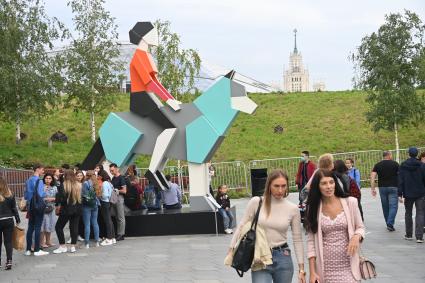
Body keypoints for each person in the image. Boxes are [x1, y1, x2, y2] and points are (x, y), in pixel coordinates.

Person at [228, 169, 305, 283]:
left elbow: (297, 239)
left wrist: (301, 268)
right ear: (269, 185)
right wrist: (231, 249)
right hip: (260, 257)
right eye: (276, 186)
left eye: (284, 186)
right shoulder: (256, 202)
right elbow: (241, 226)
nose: (280, 190)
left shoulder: (292, 209)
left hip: (283, 256)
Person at [306, 169, 365, 283]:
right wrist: (312, 272)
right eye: (324, 183)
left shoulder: (350, 202)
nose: (328, 186)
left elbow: (360, 227)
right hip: (325, 268)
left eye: (331, 182)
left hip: (348, 264)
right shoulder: (313, 208)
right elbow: (311, 242)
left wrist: (356, 236)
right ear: (317, 186)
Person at [398, 147, 425, 243]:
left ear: (408, 154)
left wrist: (399, 194)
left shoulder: (403, 165)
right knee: (420, 213)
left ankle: (409, 234)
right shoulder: (422, 165)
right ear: (417, 154)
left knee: (408, 213)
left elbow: (400, 180)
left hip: (408, 193)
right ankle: (419, 237)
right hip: (420, 193)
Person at [53, 170, 83, 254]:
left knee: (58, 227)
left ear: (65, 176)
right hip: (77, 209)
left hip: (66, 210)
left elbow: (60, 199)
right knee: (74, 227)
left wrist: (56, 198)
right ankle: (73, 246)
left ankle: (62, 246)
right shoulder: (79, 185)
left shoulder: (64, 185)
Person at [370, 151, 399, 231]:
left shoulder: (377, 165)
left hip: (382, 187)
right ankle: (390, 223)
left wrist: (373, 188)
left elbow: (372, 177)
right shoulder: (395, 164)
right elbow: (400, 175)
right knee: (393, 206)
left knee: (385, 206)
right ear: (389, 155)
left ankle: (388, 223)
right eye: (391, 155)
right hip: (393, 187)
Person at [24, 163, 48, 256]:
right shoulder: (40, 181)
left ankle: (28, 249)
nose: (43, 171)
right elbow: (41, 194)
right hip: (38, 206)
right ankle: (37, 249)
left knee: (30, 227)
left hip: (30, 206)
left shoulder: (28, 180)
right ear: (37, 169)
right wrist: (44, 190)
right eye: (42, 169)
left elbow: (26, 196)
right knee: (37, 227)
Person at [0, 177, 20, 270]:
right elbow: (14, 208)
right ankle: (9, 261)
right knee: (8, 242)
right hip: (8, 220)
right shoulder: (10, 194)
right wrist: (17, 219)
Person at [81, 170, 101, 248]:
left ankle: (87, 243)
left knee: (87, 224)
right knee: (95, 223)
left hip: (87, 205)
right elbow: (98, 195)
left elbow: (83, 195)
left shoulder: (85, 183)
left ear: (87, 175)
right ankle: (97, 242)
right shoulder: (96, 183)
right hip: (95, 204)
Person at [109, 163, 126, 241]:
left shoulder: (121, 178)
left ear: (116, 169)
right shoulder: (113, 178)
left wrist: (117, 190)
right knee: (117, 217)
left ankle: (121, 234)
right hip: (114, 198)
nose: (111, 172)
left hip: (119, 198)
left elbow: (125, 191)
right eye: (110, 170)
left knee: (120, 217)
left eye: (112, 170)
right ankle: (119, 233)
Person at [98, 171, 115, 246]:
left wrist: (99, 196)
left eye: (98, 175)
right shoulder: (109, 183)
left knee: (107, 221)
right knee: (109, 220)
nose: (97, 177)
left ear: (101, 176)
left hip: (105, 202)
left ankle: (109, 238)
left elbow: (105, 195)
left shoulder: (104, 183)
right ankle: (112, 237)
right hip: (109, 203)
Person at [40, 173, 57, 248]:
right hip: (43, 208)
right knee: (43, 226)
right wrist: (46, 198)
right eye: (46, 178)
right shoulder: (41, 187)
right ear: (44, 179)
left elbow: (58, 197)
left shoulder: (54, 187)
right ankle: (42, 242)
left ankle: (48, 241)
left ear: (52, 179)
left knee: (50, 225)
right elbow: (39, 197)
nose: (48, 180)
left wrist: (53, 199)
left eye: (50, 178)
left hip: (51, 208)